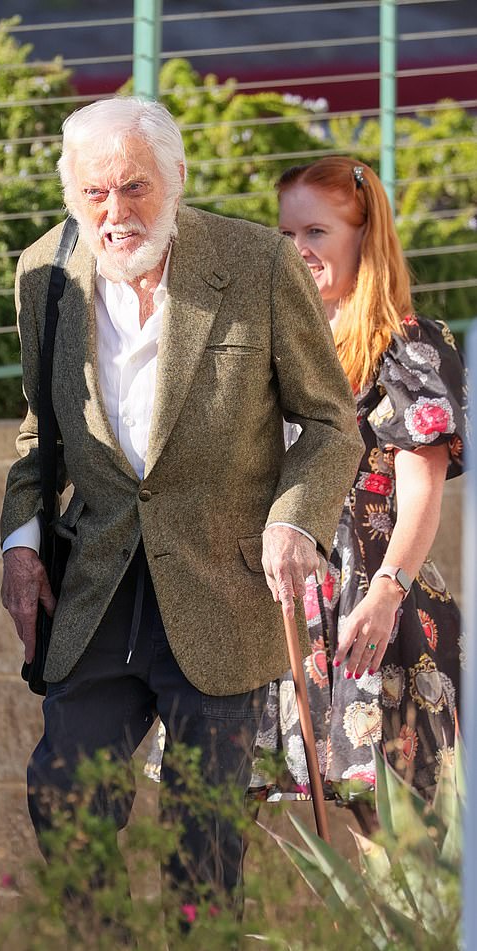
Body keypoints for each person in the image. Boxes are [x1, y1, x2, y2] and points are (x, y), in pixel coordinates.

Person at [0, 98, 363, 910]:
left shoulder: (259, 263)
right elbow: (38, 430)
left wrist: (294, 517)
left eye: (134, 188)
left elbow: (334, 425)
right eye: (93, 193)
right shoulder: (45, 273)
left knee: (204, 842)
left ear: (177, 179)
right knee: (64, 796)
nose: (114, 213)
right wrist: (20, 541)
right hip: (98, 588)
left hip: (220, 586)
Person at [251, 157, 466, 816]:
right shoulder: (273, 342)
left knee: (399, 839)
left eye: (315, 232)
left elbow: (422, 487)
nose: (298, 250)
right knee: (221, 809)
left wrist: (387, 593)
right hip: (271, 606)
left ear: (363, 234)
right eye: (286, 235)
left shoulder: (409, 346)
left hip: (371, 607)